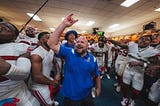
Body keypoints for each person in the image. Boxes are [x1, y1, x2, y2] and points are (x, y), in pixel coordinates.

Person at [47, 14, 101, 106]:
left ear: (87, 46)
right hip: (71, 95)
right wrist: (63, 25)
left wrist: (98, 88)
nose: (79, 43)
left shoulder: (93, 59)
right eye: (78, 42)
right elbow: (51, 44)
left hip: (87, 93)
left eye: (82, 42)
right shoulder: (69, 52)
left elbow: (97, 74)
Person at [108, 33, 159, 106]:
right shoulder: (132, 45)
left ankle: (132, 100)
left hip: (139, 73)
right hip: (128, 70)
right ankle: (125, 98)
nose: (143, 40)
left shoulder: (152, 51)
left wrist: (141, 64)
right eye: (142, 38)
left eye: (146, 39)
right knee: (125, 86)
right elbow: (120, 44)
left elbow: (156, 65)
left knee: (137, 91)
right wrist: (110, 40)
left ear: (150, 42)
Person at [0, 22, 40, 106]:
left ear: (14, 36)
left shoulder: (20, 46)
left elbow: (23, 74)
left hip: (14, 93)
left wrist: (7, 68)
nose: (2, 26)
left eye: (8, 26)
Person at [30, 32, 61, 106]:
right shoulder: (37, 54)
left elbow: (55, 62)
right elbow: (37, 77)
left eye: (51, 38)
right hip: (38, 86)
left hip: (48, 80)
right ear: (40, 41)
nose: (51, 39)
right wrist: (53, 83)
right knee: (48, 104)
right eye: (47, 38)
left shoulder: (51, 50)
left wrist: (58, 74)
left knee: (53, 95)